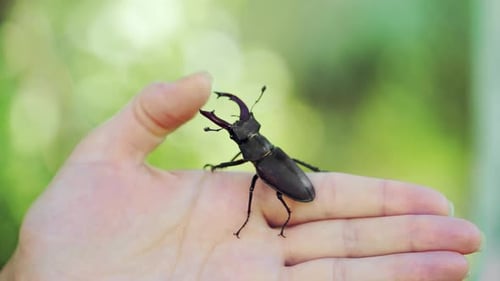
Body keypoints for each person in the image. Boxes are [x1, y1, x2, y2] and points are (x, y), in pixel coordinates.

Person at [0, 73, 481, 280]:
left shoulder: (259, 158)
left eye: (243, 130)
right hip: (291, 175)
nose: (241, 130)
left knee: (272, 185)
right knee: (275, 183)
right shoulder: (262, 155)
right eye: (239, 132)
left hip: (294, 181)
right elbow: (263, 165)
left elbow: (262, 167)